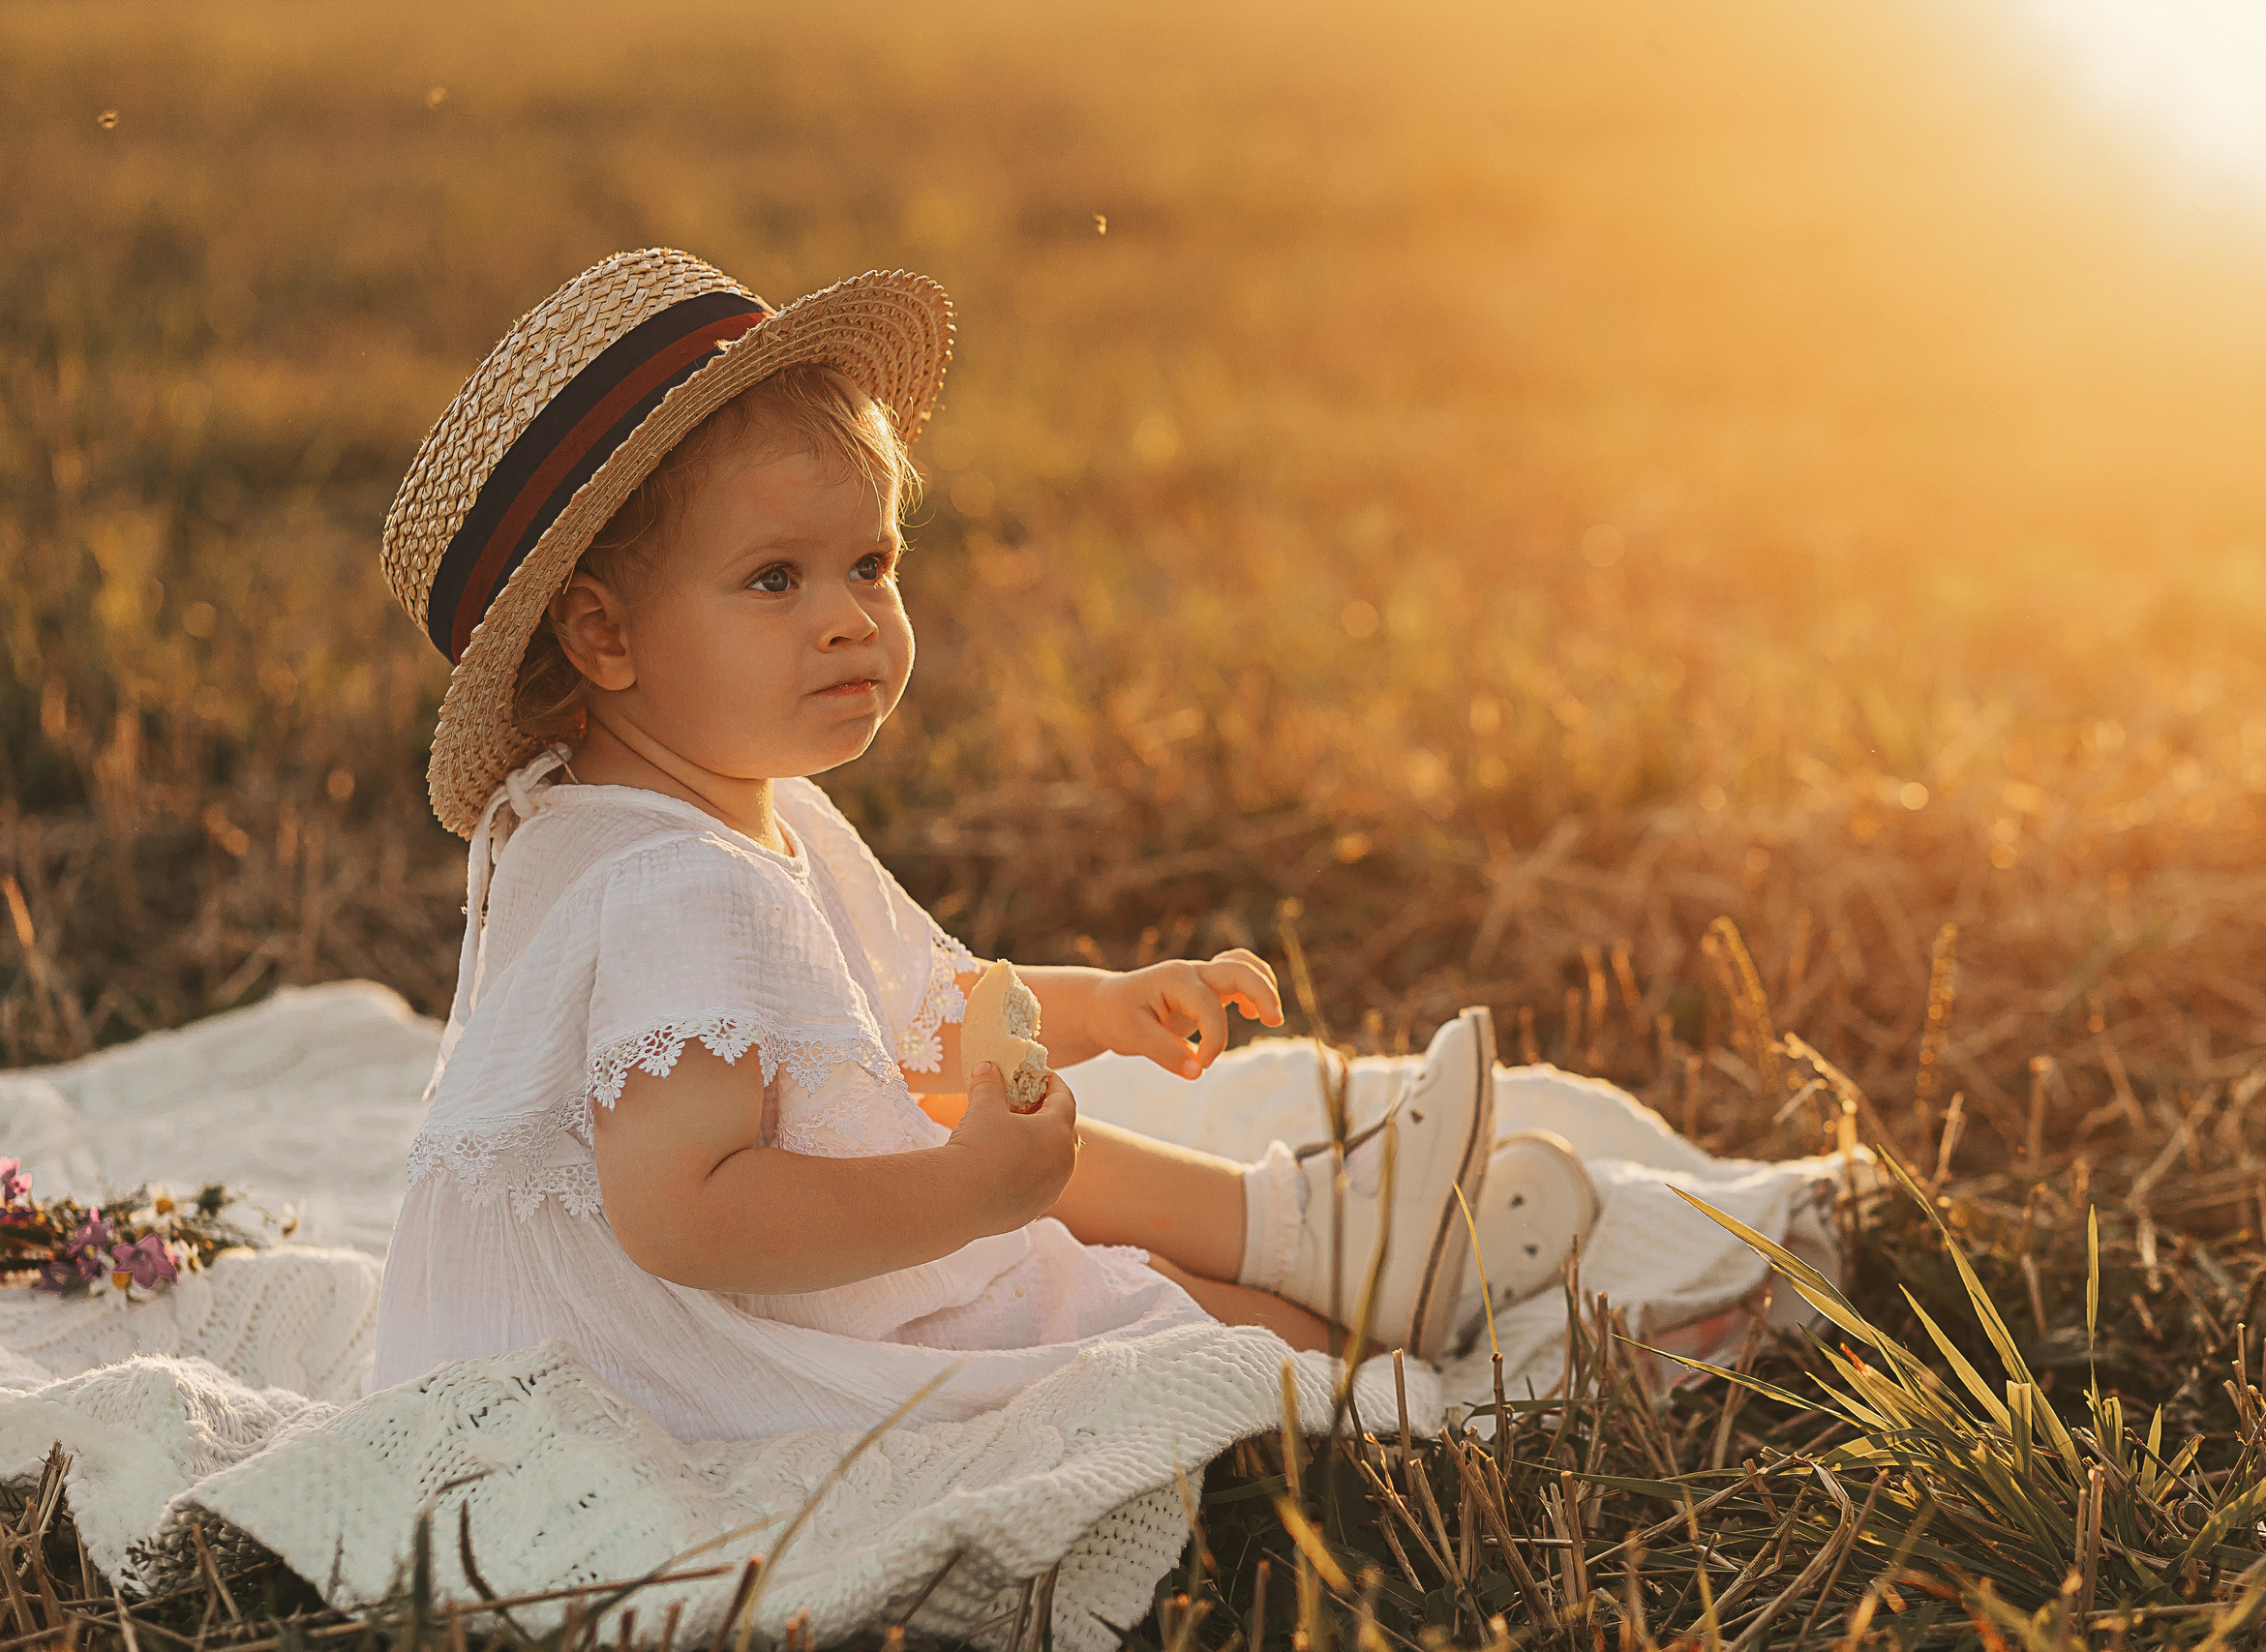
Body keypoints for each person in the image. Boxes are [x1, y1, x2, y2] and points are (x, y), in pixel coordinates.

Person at [368, 250, 1599, 1441]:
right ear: (604, 636)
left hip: (788, 1253)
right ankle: (1395, 1354)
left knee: (1001, 1124)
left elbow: (905, 1024)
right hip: (686, 1346)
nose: (850, 621)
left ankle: (1311, 1232)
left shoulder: (724, 802)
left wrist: (1102, 1006)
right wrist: (960, 1194)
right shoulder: (672, 886)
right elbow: (681, 1217)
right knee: (1172, 1322)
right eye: (775, 580)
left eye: (869, 564)